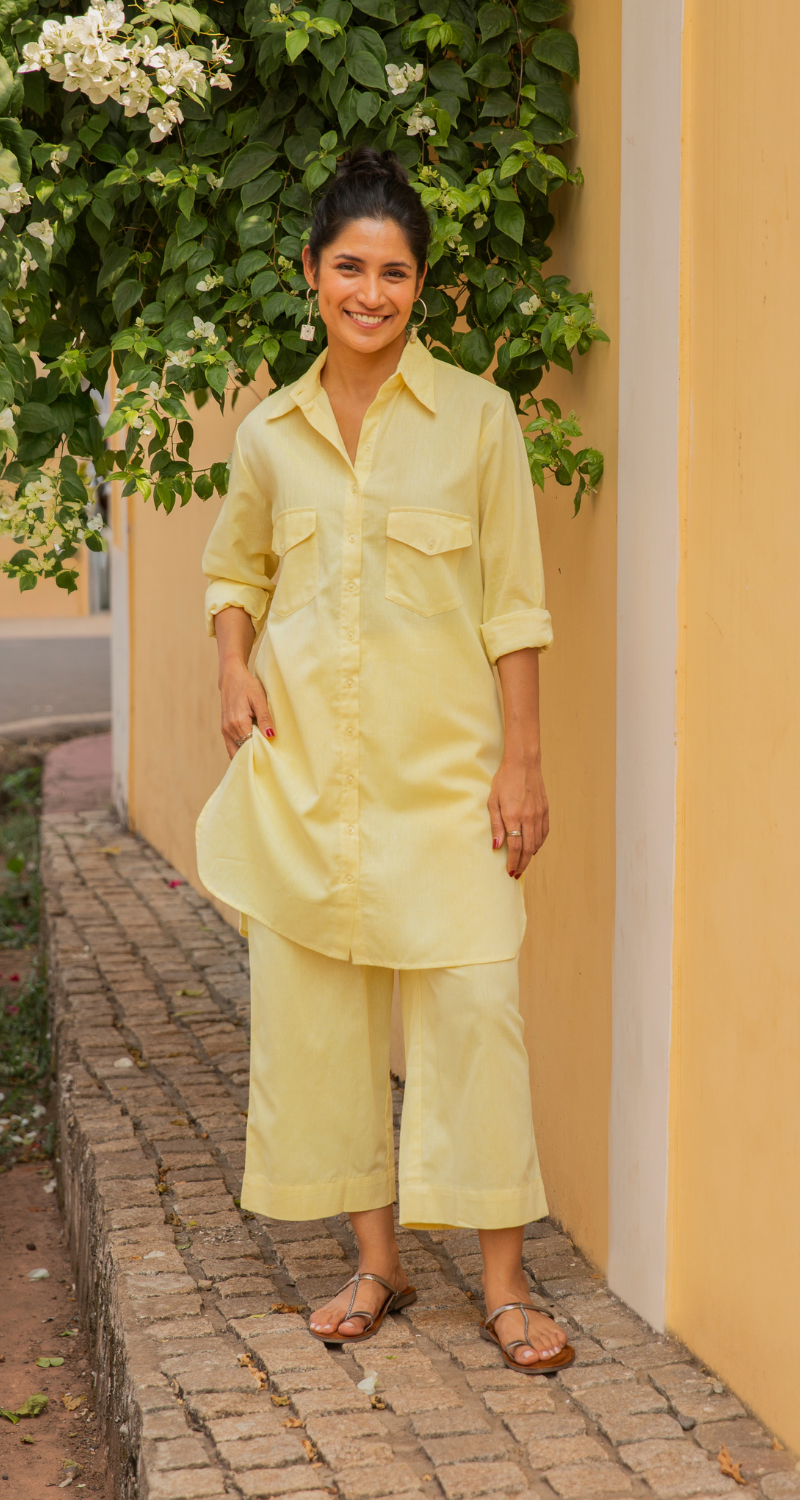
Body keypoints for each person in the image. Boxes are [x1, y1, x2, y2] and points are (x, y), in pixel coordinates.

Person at [197, 147, 572, 1373]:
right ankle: (377, 1263)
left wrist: (522, 763)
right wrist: (230, 662)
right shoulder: (268, 435)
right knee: (320, 1022)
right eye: (348, 267)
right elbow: (233, 567)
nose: (370, 291)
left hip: (446, 782)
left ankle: (505, 1284)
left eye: (394, 272)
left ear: (421, 286)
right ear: (309, 273)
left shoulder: (478, 418)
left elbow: (512, 606)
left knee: (475, 1014)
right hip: (313, 781)